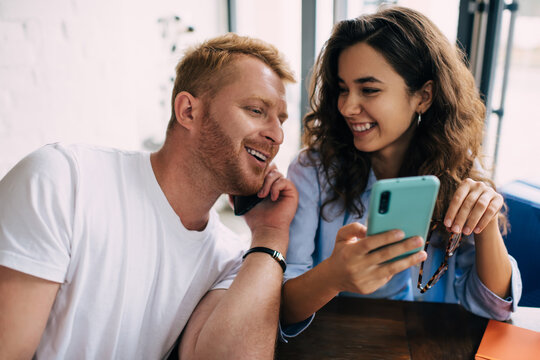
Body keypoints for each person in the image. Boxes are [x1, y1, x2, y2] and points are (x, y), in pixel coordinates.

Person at [0, 33, 298, 359]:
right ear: (188, 111)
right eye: (256, 110)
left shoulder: (229, 259)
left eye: (280, 120)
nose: (278, 134)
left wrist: (271, 234)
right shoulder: (65, 179)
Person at [281, 6, 522, 331]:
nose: (348, 107)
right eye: (342, 88)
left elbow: (494, 307)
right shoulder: (312, 171)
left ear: (423, 96)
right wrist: (332, 277)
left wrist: (487, 222)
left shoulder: (458, 168)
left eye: (369, 90)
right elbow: (280, 306)